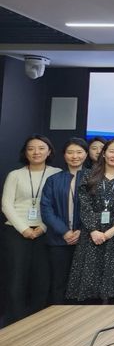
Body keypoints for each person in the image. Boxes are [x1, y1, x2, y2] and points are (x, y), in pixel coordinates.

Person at [2, 135, 61, 324]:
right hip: (16, 232)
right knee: (16, 278)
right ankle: (16, 321)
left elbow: (57, 205)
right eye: (31, 148)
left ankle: (36, 322)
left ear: (49, 151)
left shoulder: (57, 173)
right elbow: (6, 205)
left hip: (46, 232)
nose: (36, 152)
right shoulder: (15, 175)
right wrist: (24, 229)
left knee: (42, 279)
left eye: (41, 148)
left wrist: (42, 228)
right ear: (25, 152)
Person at [66, 138, 114, 303]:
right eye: (111, 151)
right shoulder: (89, 175)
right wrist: (93, 230)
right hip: (92, 234)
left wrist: (113, 230)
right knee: (90, 281)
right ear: (104, 153)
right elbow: (84, 204)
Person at [40, 138, 88, 304]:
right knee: (58, 284)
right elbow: (46, 209)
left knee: (84, 285)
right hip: (58, 240)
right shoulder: (53, 180)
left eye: (79, 152)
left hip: (86, 240)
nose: (75, 156)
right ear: (64, 155)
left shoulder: (93, 179)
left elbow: (97, 210)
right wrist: (65, 232)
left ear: (86, 154)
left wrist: (82, 230)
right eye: (70, 152)